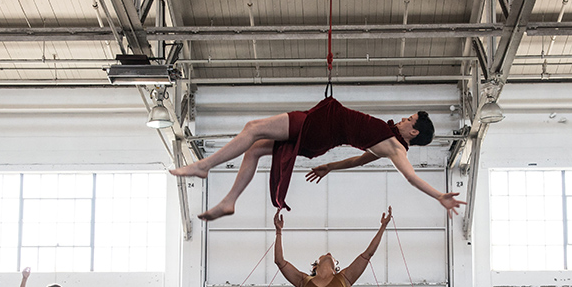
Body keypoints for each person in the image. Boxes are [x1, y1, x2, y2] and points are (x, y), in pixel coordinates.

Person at [171, 96, 464, 220]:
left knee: (253, 128)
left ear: (413, 132)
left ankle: (203, 166)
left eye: (408, 119)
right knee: (255, 147)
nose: (402, 119)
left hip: (318, 128)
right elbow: (356, 161)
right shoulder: (386, 142)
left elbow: (411, 177)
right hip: (321, 135)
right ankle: (229, 201)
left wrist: (439, 195)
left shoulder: (397, 149)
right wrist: (329, 167)